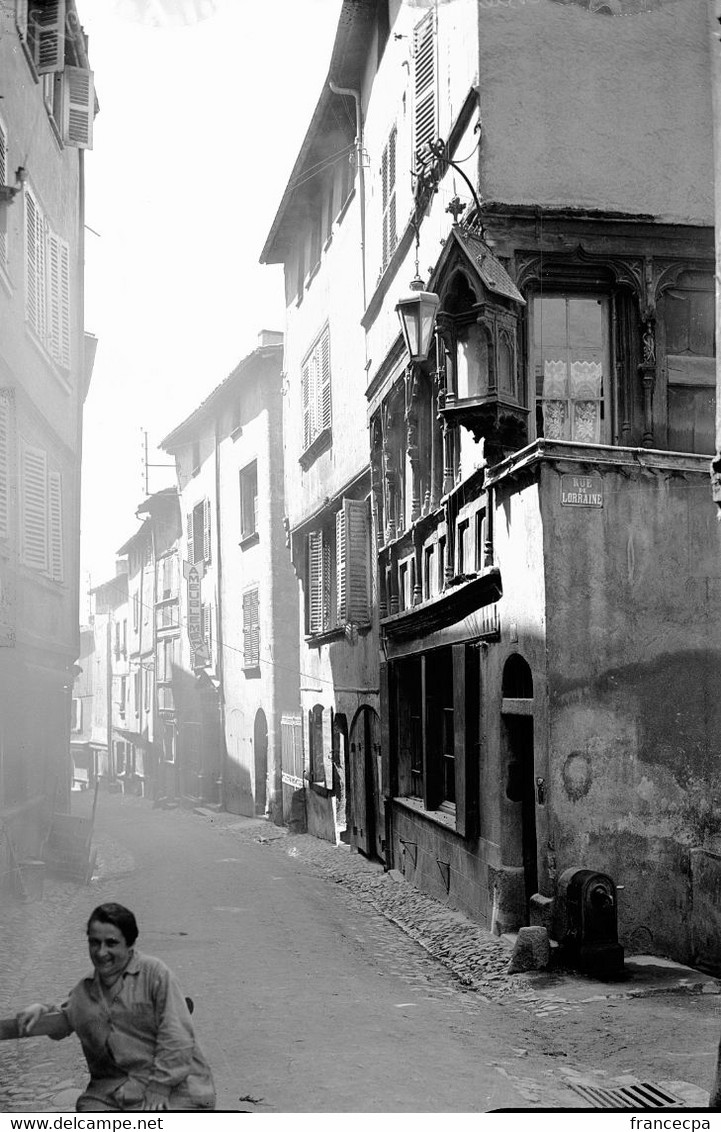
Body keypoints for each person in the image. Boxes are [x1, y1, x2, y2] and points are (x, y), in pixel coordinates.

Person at [16, 902, 216, 1113]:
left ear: (129, 945)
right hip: (113, 1094)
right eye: (94, 943)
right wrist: (42, 1009)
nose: (101, 952)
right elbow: (66, 1017)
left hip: (178, 1089)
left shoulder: (155, 974)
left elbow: (178, 1038)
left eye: (111, 943)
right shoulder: (85, 989)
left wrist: (159, 1088)